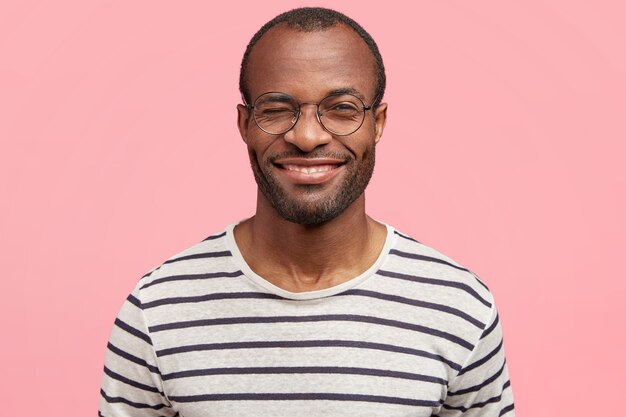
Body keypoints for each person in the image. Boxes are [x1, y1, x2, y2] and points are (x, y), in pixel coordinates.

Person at [98, 7, 514, 417]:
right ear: (245, 124)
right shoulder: (156, 310)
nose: (308, 136)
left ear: (379, 122)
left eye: (342, 108)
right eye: (277, 109)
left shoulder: (459, 307)